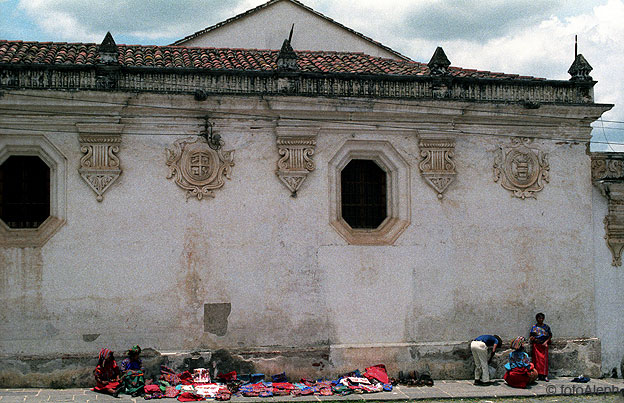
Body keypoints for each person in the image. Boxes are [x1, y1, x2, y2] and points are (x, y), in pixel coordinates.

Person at [529, 312, 552, 381]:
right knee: (537, 361)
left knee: (544, 361)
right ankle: (538, 375)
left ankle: (545, 375)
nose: (540, 319)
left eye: (542, 318)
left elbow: (550, 335)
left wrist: (546, 342)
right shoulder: (534, 327)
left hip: (544, 345)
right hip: (536, 345)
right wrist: (532, 339)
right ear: (536, 319)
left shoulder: (546, 327)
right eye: (539, 318)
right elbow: (531, 335)